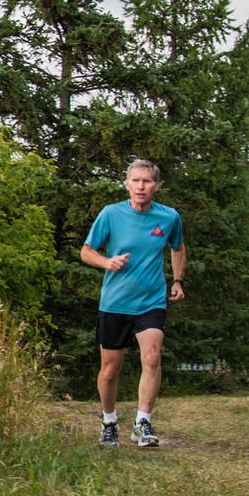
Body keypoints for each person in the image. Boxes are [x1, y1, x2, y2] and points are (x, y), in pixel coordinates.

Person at [79, 158, 186, 447]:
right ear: (127, 184)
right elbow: (86, 251)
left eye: (147, 181)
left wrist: (177, 281)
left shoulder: (169, 217)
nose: (141, 186)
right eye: (136, 180)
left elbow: (178, 247)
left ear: (157, 186)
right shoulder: (110, 214)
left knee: (152, 356)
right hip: (115, 303)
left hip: (151, 301)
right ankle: (109, 421)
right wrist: (107, 262)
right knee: (110, 370)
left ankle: (142, 423)